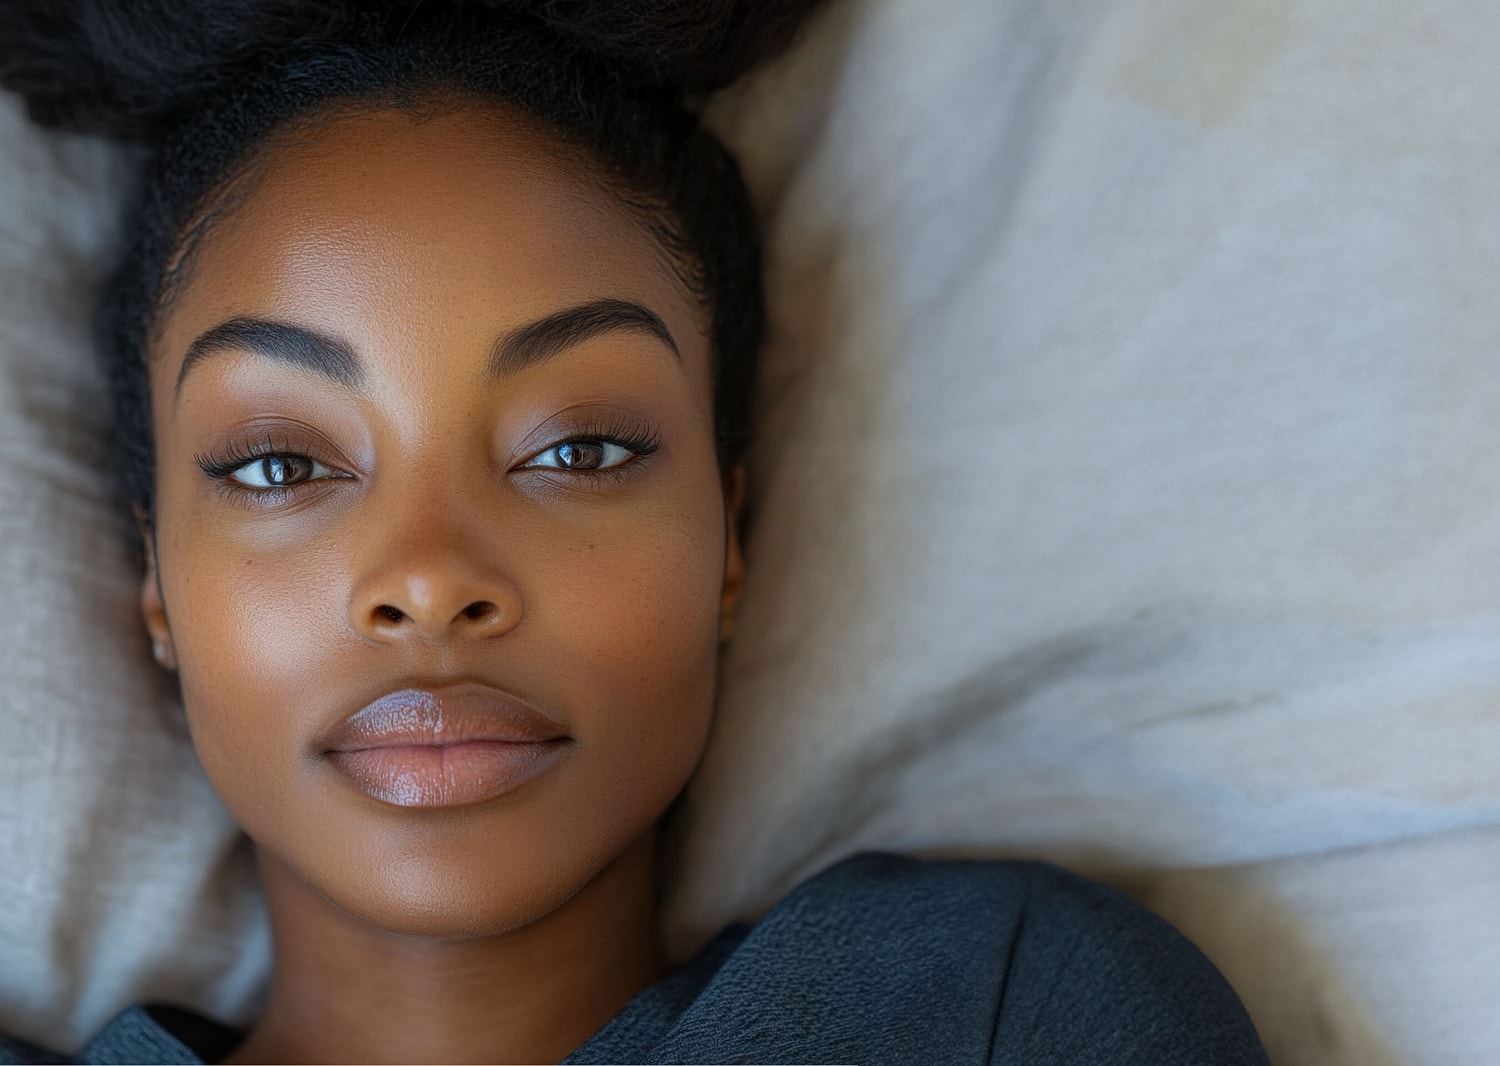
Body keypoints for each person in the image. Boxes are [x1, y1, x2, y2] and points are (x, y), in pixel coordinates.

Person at [0, 2, 1269, 1062]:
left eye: (578, 449)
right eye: (281, 462)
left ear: (727, 538)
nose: (433, 578)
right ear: (157, 579)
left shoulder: (1003, 1014)